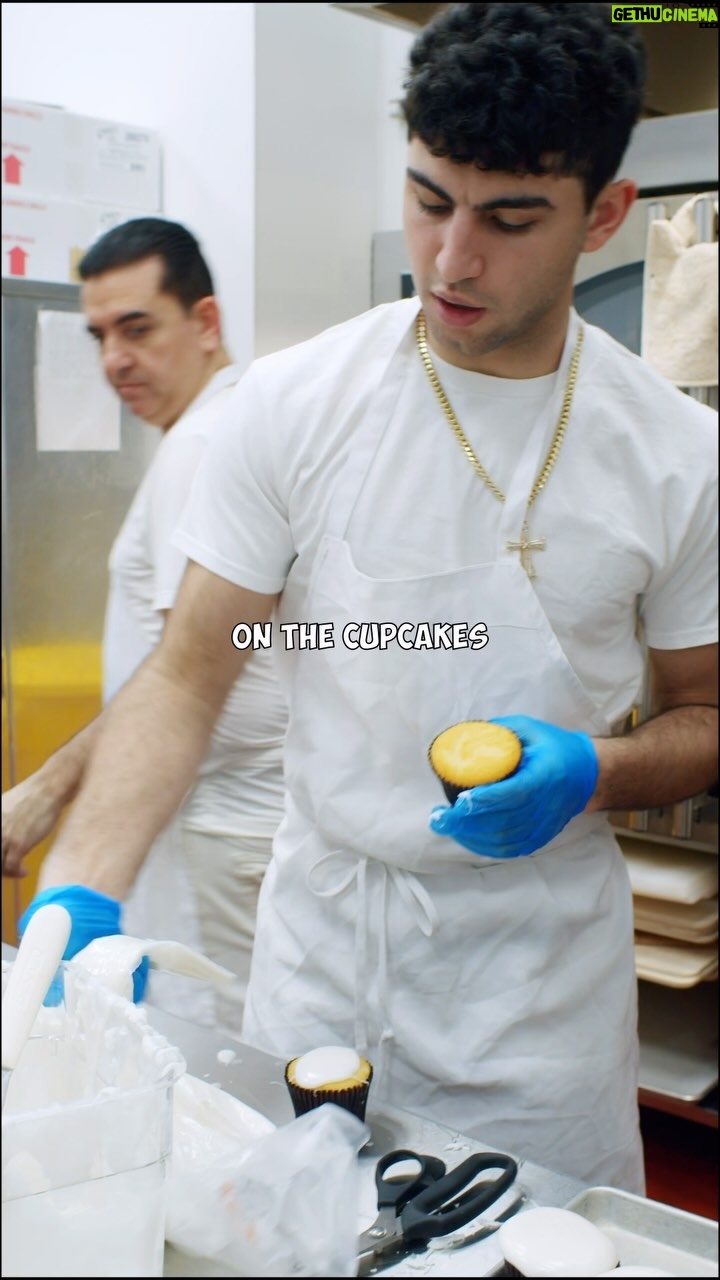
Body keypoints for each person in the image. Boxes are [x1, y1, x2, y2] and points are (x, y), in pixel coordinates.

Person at [16, 3, 717, 1191]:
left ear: (603, 214)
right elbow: (190, 669)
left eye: (508, 218)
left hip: (533, 1000)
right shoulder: (295, 408)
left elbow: (706, 715)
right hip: (320, 959)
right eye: (429, 198)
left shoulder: (677, 455)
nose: (452, 259)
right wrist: (85, 879)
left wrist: (594, 770)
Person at [1, 217, 288, 1034]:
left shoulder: (201, 447)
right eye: (97, 336)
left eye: (137, 328)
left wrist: (46, 791)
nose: (113, 361)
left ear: (204, 322)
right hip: (234, 822)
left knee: (220, 1060)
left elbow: (181, 674)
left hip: (215, 825)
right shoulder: (238, 422)